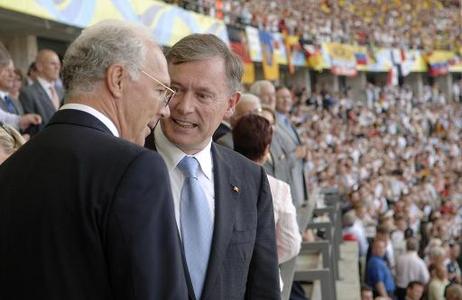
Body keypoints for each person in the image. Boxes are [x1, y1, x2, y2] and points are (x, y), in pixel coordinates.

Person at [0, 20, 188, 299]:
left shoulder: (12, 166)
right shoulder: (135, 168)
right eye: (162, 91)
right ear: (118, 79)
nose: (165, 111)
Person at [146, 33, 280, 299]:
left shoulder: (251, 179)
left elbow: (262, 287)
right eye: (175, 90)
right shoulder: (122, 166)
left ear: (230, 104)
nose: (183, 107)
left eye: (203, 95)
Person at [232, 113, 301, 288]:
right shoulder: (279, 188)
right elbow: (291, 243)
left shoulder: (215, 179)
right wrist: (264, 258)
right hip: (265, 281)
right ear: (266, 149)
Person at [20, 49, 64, 135]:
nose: (57, 67)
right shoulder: (28, 93)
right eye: (53, 64)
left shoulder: (62, 91)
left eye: (59, 64)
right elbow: (30, 129)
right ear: (39, 66)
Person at [0, 46, 41, 130]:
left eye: (13, 71)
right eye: (7, 70)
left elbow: (4, 118)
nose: (12, 75)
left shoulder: (13, 100)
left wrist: (22, 120)